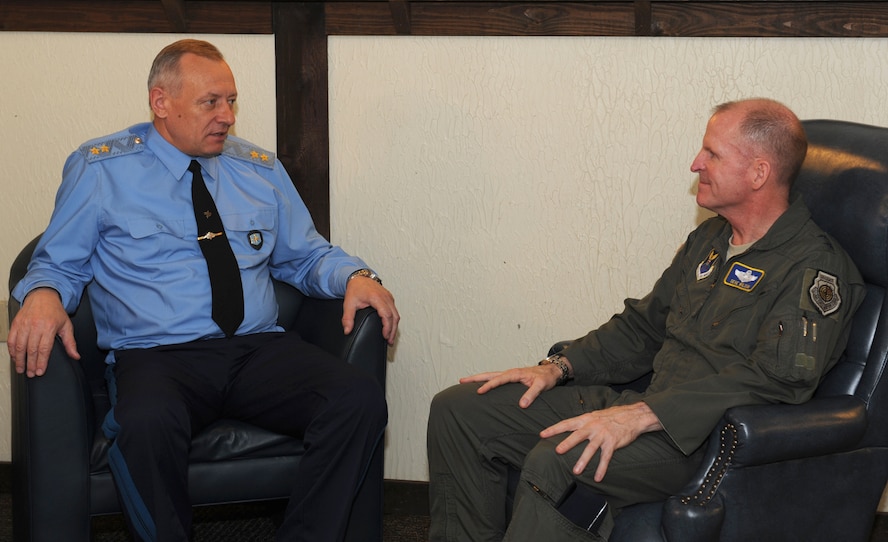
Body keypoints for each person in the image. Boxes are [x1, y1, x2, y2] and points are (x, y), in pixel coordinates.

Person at [8, 39, 400, 542]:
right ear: (161, 102)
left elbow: (306, 255)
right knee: (146, 423)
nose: (227, 117)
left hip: (257, 350)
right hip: (157, 355)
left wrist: (356, 276)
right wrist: (43, 292)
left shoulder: (258, 170)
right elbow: (57, 262)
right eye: (210, 102)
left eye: (231, 101)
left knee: (357, 399)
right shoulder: (101, 169)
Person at [426, 98, 865, 541]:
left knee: (561, 457)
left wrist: (647, 414)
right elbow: (643, 327)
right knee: (461, 411)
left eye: (712, 154)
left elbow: (775, 380)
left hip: (701, 440)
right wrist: (558, 368)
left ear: (758, 173)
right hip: (646, 406)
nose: (696, 164)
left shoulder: (815, 268)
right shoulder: (710, 239)